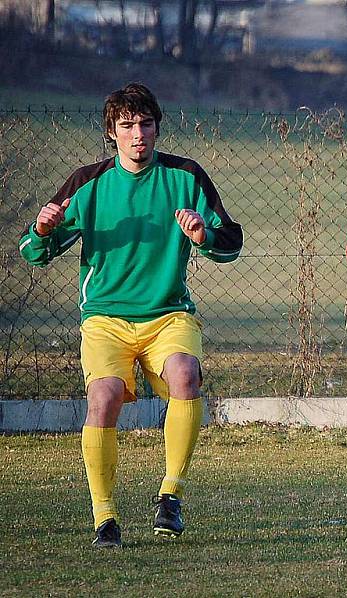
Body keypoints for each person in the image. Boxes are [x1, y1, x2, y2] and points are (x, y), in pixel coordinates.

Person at [19, 83, 243, 548]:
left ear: (157, 127)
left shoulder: (186, 177)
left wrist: (202, 235)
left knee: (185, 375)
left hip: (168, 315)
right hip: (105, 319)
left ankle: (170, 496)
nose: (137, 133)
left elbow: (232, 241)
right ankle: (105, 518)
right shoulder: (88, 183)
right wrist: (43, 229)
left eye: (145, 124)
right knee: (103, 396)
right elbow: (34, 251)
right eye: (126, 126)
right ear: (111, 133)